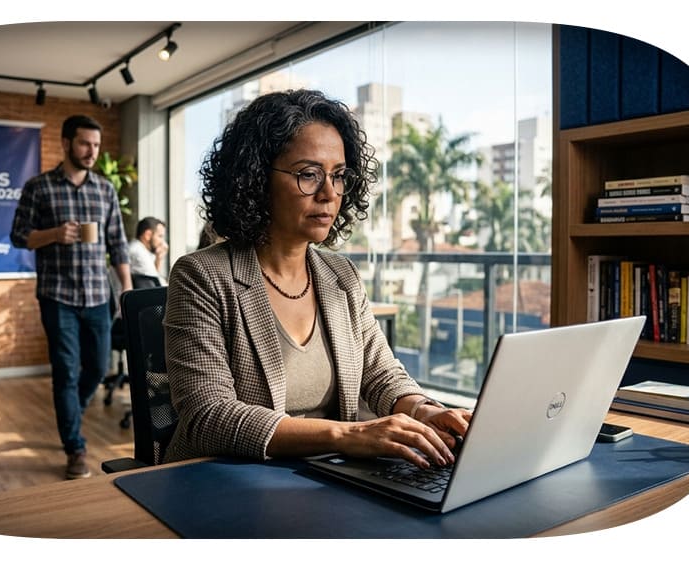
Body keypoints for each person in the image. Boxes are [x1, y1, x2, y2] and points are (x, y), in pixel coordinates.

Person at [163, 89, 472, 469]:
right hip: (226, 481)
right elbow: (208, 416)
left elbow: (380, 373)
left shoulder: (340, 275)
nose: (329, 193)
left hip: (328, 478)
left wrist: (422, 410)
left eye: (339, 176)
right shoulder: (202, 276)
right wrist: (348, 436)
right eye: (309, 174)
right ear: (256, 178)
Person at [10, 114, 133, 480]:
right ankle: (75, 448)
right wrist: (53, 234)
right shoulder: (39, 187)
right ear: (66, 143)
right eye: (84, 144)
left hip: (97, 295)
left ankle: (71, 416)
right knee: (65, 371)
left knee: (97, 367)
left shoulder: (105, 189)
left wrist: (125, 288)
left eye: (96, 145)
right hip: (57, 295)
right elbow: (19, 236)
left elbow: (117, 243)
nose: (92, 151)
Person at [127, 216, 168, 285]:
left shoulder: (139, 249)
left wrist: (159, 259)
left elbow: (153, 281)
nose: (163, 243)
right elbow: (160, 287)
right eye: (160, 236)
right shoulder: (138, 253)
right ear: (147, 235)